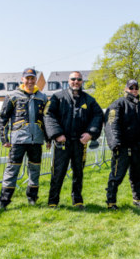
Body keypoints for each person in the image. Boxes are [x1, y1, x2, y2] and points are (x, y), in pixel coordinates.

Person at [44, 71, 103, 209]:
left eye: (79, 79)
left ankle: (77, 200)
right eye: (73, 79)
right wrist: (57, 134)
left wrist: (90, 133)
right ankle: (53, 201)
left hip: (79, 143)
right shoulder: (57, 97)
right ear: (68, 81)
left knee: (79, 172)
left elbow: (98, 115)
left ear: (82, 82)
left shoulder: (89, 100)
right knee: (58, 172)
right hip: (62, 142)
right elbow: (48, 115)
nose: (76, 81)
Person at [0, 68, 50, 209]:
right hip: (18, 140)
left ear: (36, 80)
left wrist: (48, 139)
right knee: (12, 170)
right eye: (27, 78)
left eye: (32, 78)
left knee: (35, 170)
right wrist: (4, 138)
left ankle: (32, 198)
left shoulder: (43, 97)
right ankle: (4, 201)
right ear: (22, 79)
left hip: (36, 141)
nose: (30, 81)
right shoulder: (12, 96)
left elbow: (47, 120)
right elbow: (3, 118)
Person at [104, 80, 140, 210]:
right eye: (131, 87)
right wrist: (115, 143)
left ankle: (138, 199)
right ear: (126, 89)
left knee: (137, 175)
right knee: (117, 175)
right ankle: (111, 201)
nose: (134, 90)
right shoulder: (118, 104)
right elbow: (111, 123)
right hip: (121, 146)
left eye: (136, 88)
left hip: (137, 147)